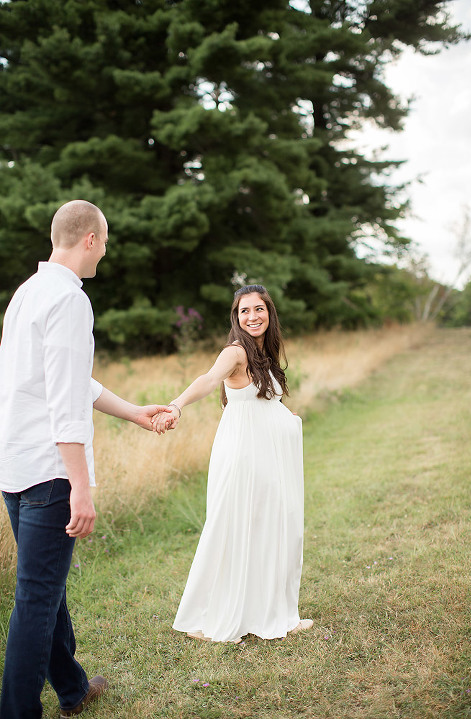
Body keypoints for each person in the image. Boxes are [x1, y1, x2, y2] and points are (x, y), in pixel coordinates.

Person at [0, 200, 172, 719]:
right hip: (52, 472)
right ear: (91, 239)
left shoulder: (26, 295)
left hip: (15, 468)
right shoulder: (70, 301)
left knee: (43, 586)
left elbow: (68, 382)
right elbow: (64, 404)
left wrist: (135, 413)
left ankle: (73, 689)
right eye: (107, 239)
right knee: (34, 596)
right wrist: (81, 483)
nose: (107, 248)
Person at [153, 285, 313, 643]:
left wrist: (285, 418)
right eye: (245, 311)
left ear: (269, 314)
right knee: (235, 525)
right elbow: (210, 379)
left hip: (269, 452)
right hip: (245, 454)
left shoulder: (264, 354)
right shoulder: (236, 352)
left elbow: (260, 404)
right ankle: (214, 615)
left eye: (259, 309)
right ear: (236, 317)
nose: (252, 316)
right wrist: (176, 405)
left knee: (276, 525)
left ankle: (277, 613)